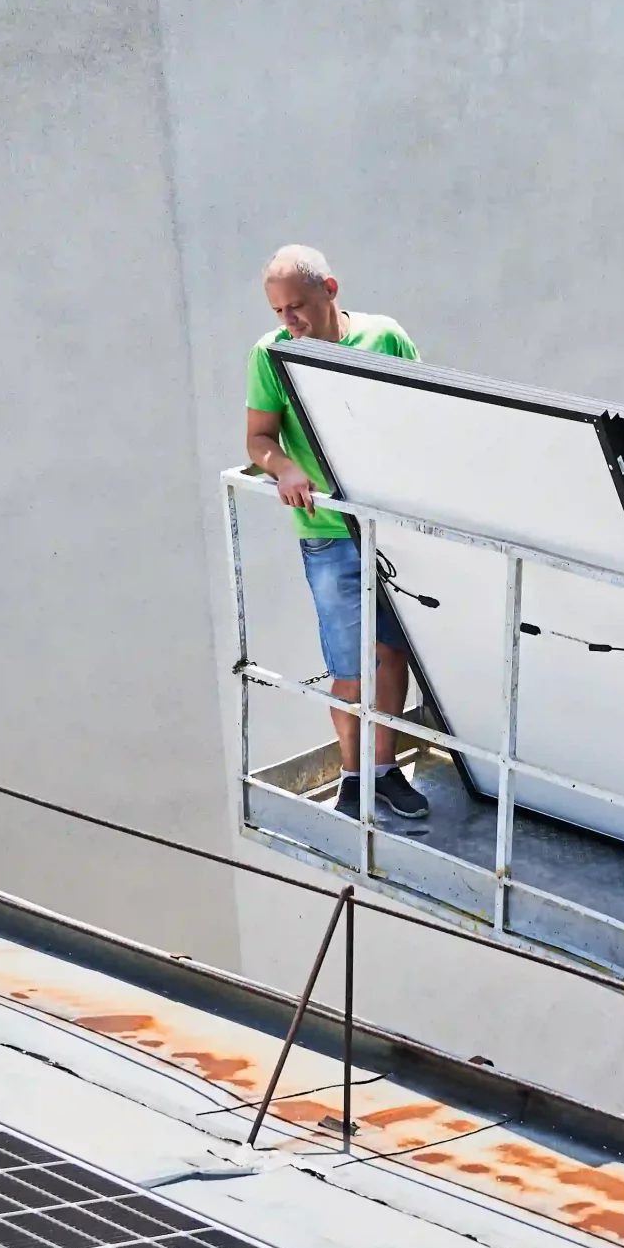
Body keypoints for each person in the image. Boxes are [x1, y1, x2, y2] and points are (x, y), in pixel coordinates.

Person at [244, 245, 432, 833]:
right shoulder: (271, 356)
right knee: (350, 665)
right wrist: (283, 468)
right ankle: (353, 779)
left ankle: (383, 771)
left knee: (392, 653)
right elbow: (258, 439)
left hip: (393, 531)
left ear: (330, 289)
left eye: (297, 306)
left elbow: (427, 411)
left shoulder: (384, 338)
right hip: (329, 533)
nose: (289, 321)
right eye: (278, 311)